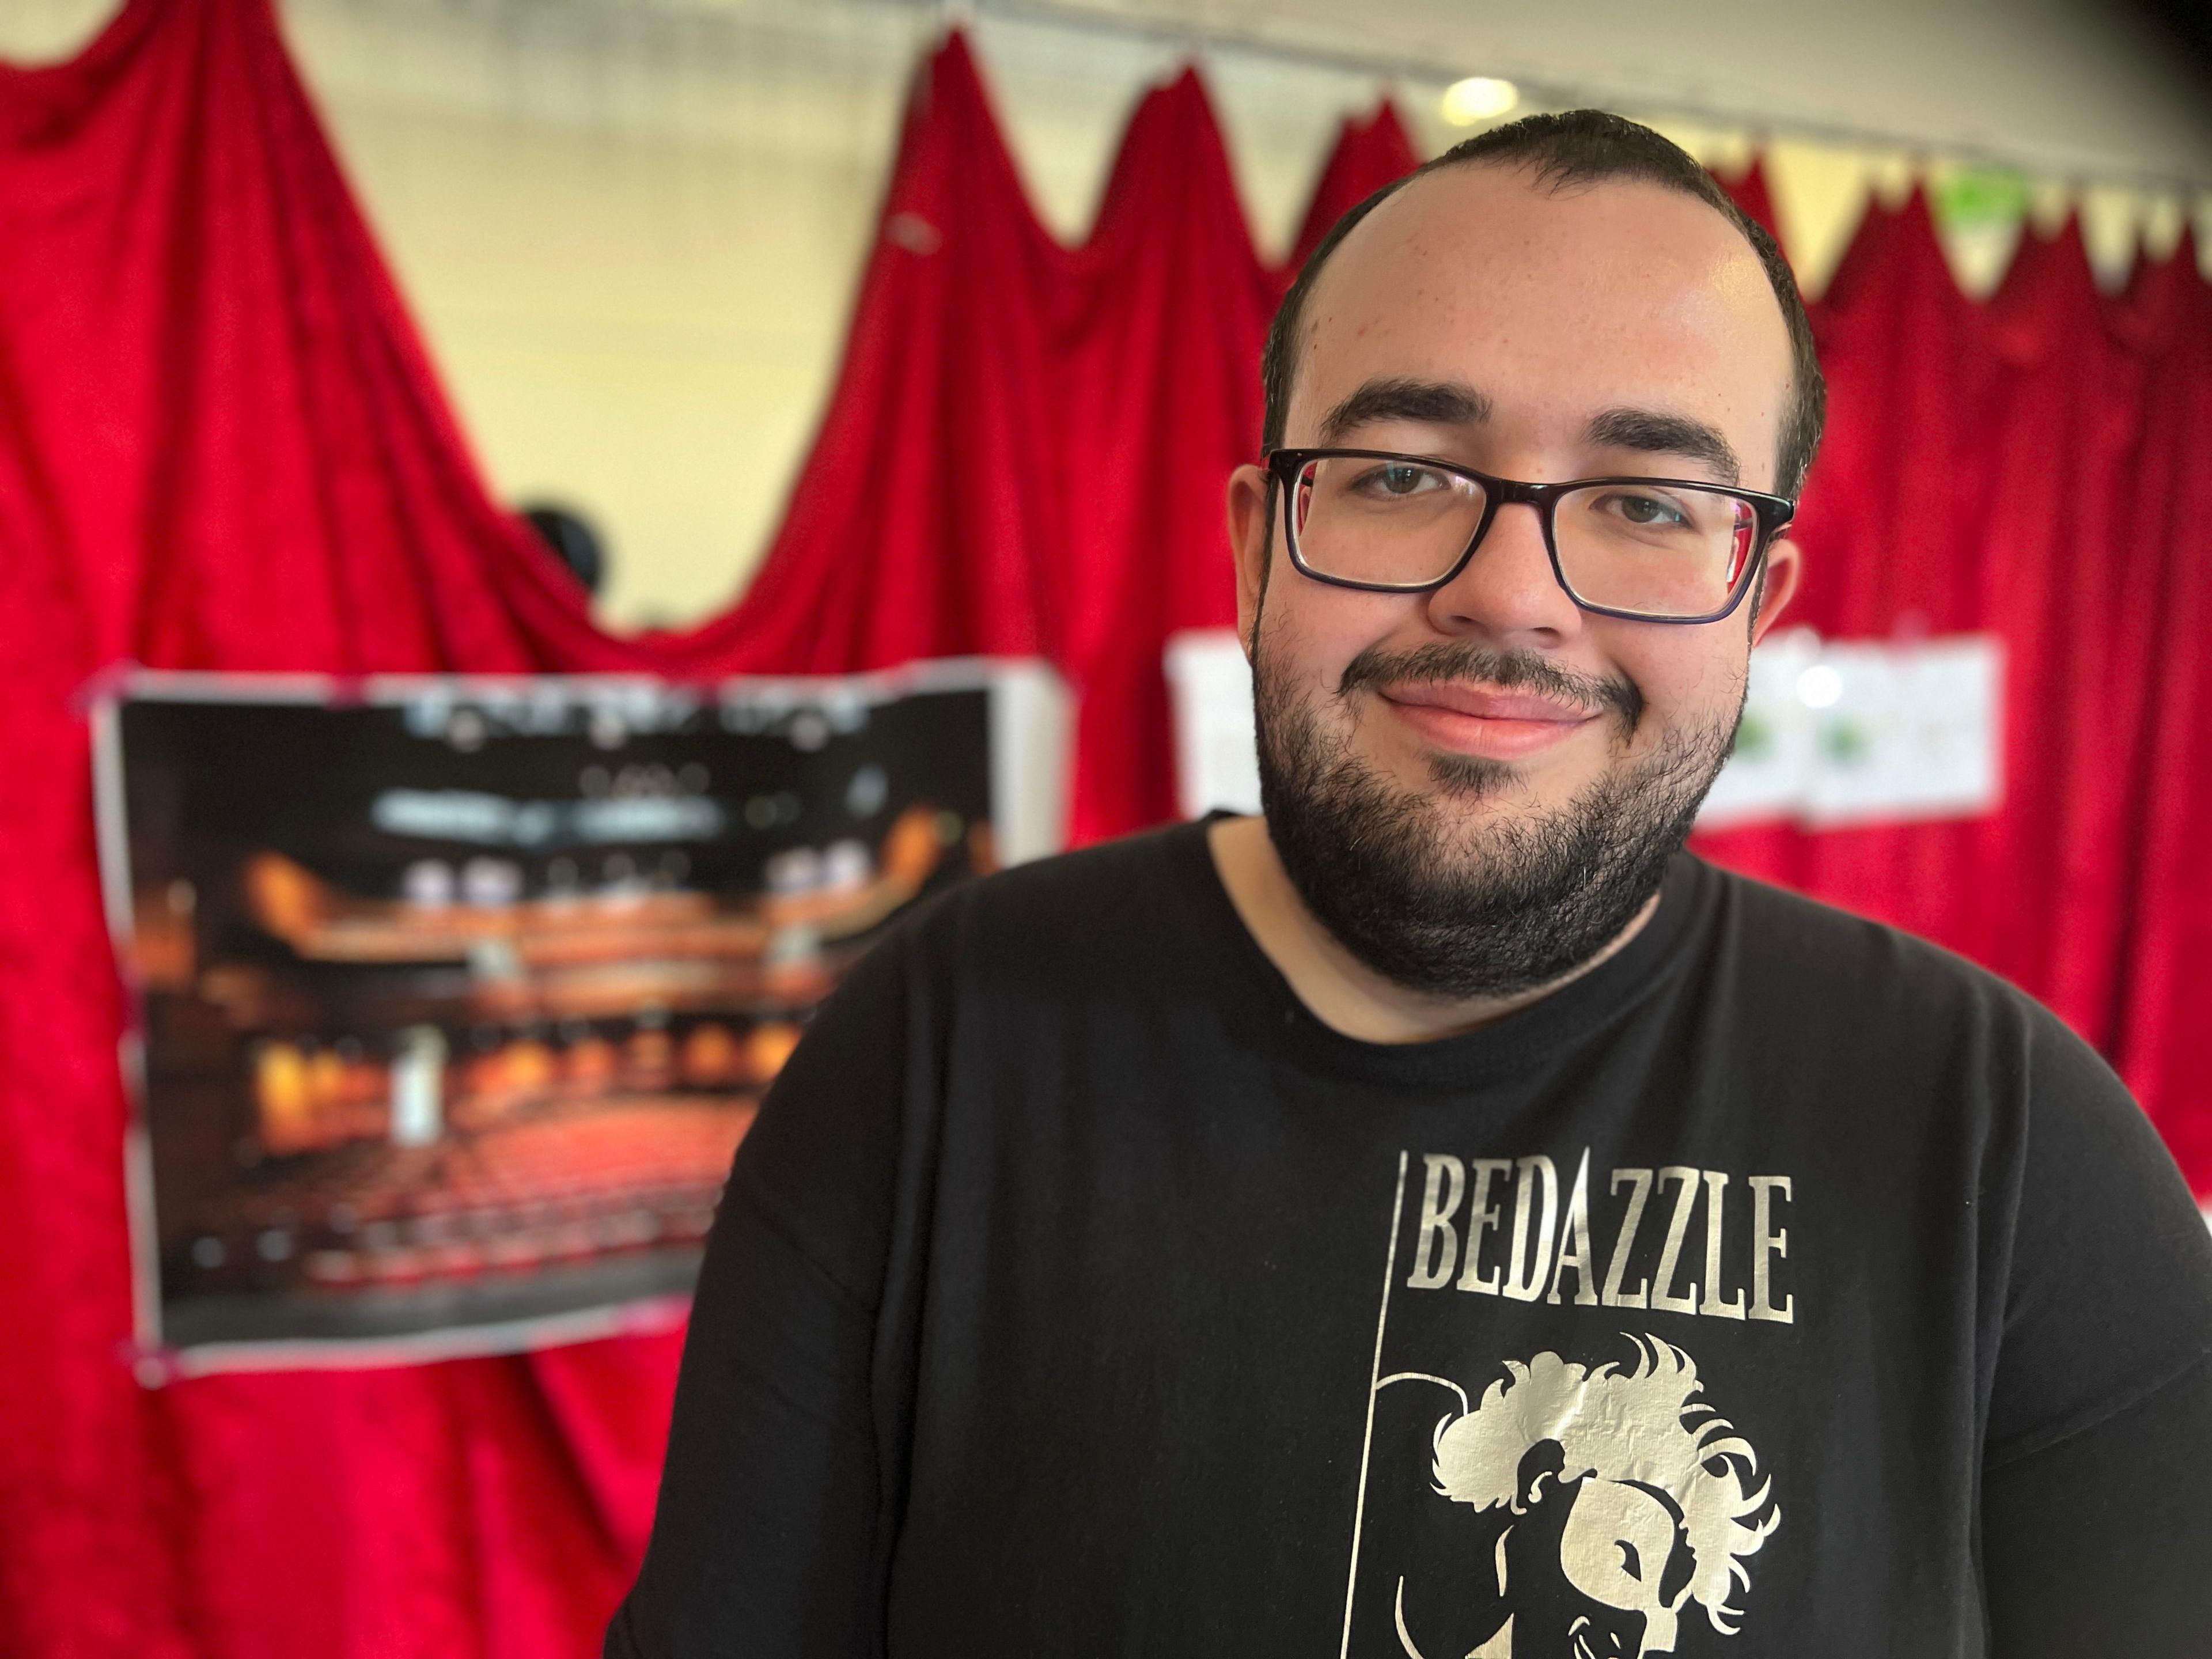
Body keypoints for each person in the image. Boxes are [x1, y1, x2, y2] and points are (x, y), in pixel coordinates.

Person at [606, 111, 2212, 1658]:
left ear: (1757, 599)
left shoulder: (2007, 1149)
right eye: (1398, 474)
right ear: (1256, 549)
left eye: (1650, 502)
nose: (1509, 592)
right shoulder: (941, 1052)